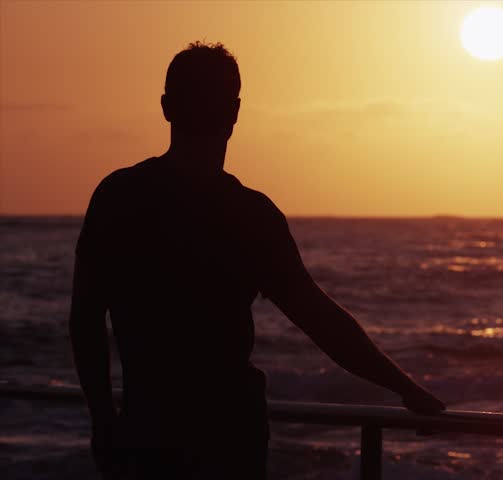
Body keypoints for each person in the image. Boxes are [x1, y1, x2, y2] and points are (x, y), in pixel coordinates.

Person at [69, 41, 444, 480]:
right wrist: (406, 388)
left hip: (153, 433)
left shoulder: (119, 196)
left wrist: (102, 418)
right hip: (228, 438)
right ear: (235, 112)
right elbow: (321, 320)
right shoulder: (251, 215)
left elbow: (86, 320)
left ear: (167, 108)